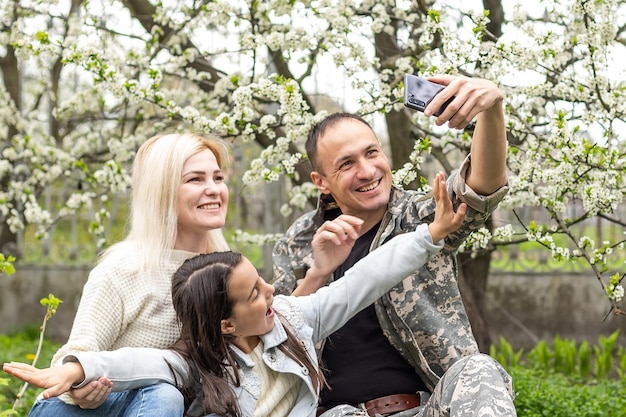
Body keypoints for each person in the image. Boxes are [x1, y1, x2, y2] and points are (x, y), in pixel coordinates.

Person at [3, 173, 467, 417]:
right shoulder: (196, 365)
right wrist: (76, 367)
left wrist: (429, 235)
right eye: (255, 294)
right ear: (226, 324)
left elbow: (365, 279)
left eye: (261, 282)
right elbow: (133, 362)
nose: (272, 291)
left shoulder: (291, 319)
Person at [271, 75, 517, 416]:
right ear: (321, 182)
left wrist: (491, 111)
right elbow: (272, 341)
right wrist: (317, 273)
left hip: (430, 407)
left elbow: (481, 188)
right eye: (347, 164)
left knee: (479, 369)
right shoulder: (299, 243)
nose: (367, 170)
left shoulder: (421, 217)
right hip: (338, 414)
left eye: (372, 153)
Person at [26, 133, 231, 417]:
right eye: (195, 179)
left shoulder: (226, 270)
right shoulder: (124, 269)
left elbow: (268, 322)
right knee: (164, 393)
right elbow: (72, 357)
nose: (213, 189)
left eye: (218, 178)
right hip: (86, 410)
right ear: (162, 191)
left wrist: (315, 274)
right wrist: (82, 391)